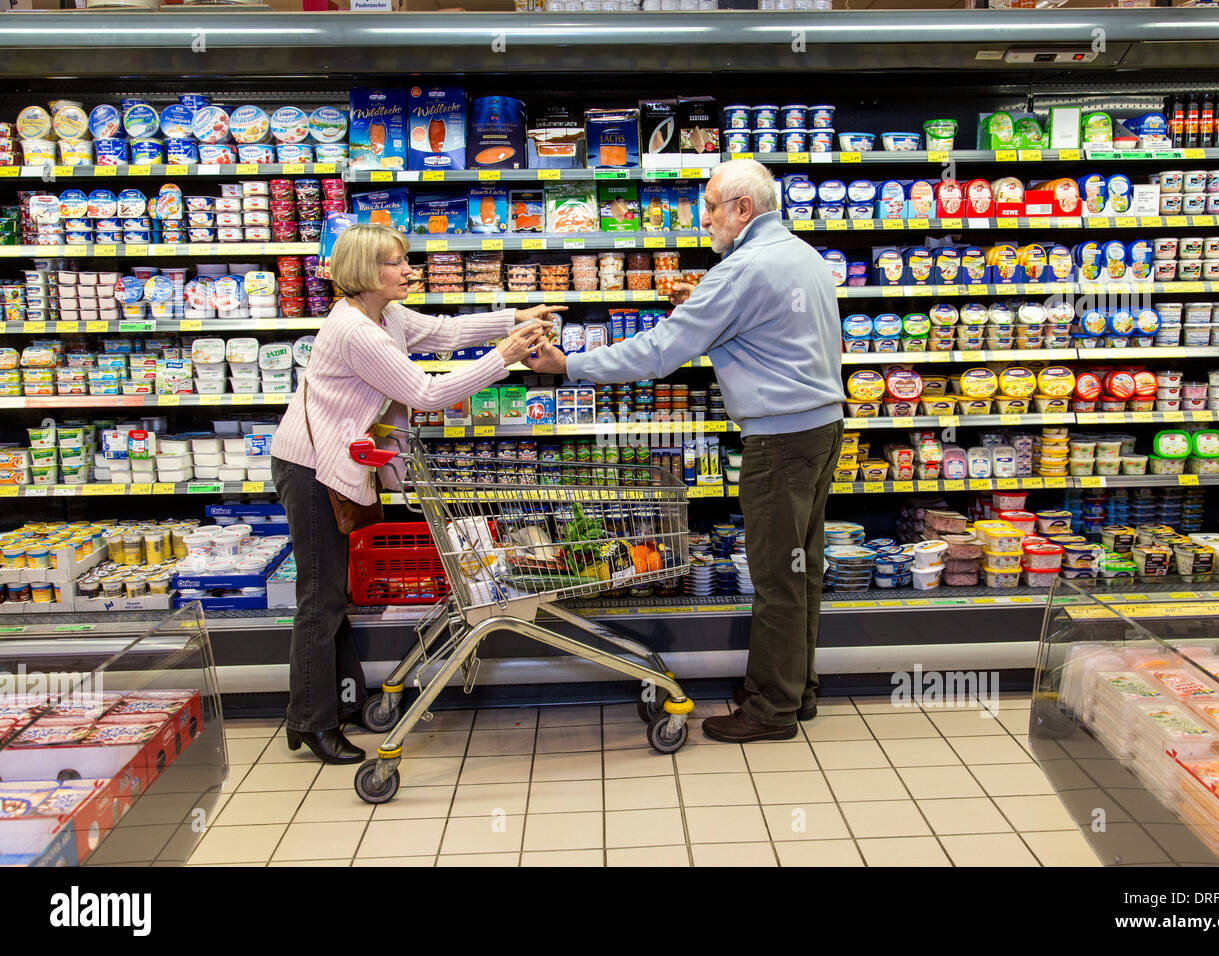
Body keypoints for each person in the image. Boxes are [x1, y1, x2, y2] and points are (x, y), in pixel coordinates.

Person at [522, 158, 843, 743]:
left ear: (743, 209)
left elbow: (660, 350)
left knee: (775, 577)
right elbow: (774, 325)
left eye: (713, 207)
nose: (706, 218)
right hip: (821, 431)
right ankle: (800, 690)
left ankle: (771, 710)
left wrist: (571, 365)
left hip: (779, 440)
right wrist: (707, 299)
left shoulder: (742, 270)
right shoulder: (803, 257)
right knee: (802, 568)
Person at [270, 222, 562, 763]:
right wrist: (503, 356)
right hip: (311, 469)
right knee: (320, 600)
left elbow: (446, 332)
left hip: (334, 465)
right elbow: (426, 393)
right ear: (364, 271)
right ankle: (309, 721)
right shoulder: (358, 332)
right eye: (395, 262)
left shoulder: (383, 314)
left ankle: (336, 701)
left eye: (406, 260)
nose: (409, 270)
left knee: (333, 596)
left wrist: (513, 318)